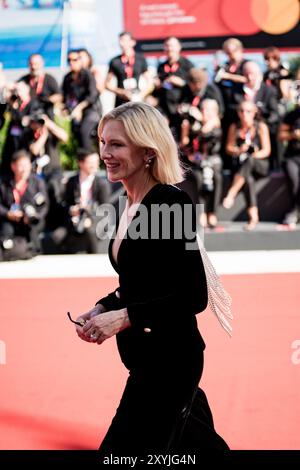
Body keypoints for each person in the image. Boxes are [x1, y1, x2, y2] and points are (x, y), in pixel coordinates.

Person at [72, 102, 230, 457]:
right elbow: (139, 283)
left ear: (147, 151)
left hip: (170, 362)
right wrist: (103, 307)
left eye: (117, 145)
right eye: (102, 142)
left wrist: (125, 317)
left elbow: (193, 295)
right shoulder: (124, 203)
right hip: (145, 358)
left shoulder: (168, 204)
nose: (105, 153)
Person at [222, 100, 271, 230]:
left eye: (248, 111)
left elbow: (266, 150)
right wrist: (239, 150)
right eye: (242, 111)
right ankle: (253, 217)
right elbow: (228, 148)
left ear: (254, 112)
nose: (244, 114)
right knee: (248, 180)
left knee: (250, 161)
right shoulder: (235, 127)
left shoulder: (261, 126)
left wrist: (253, 154)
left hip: (259, 164)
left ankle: (231, 193)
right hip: (242, 167)